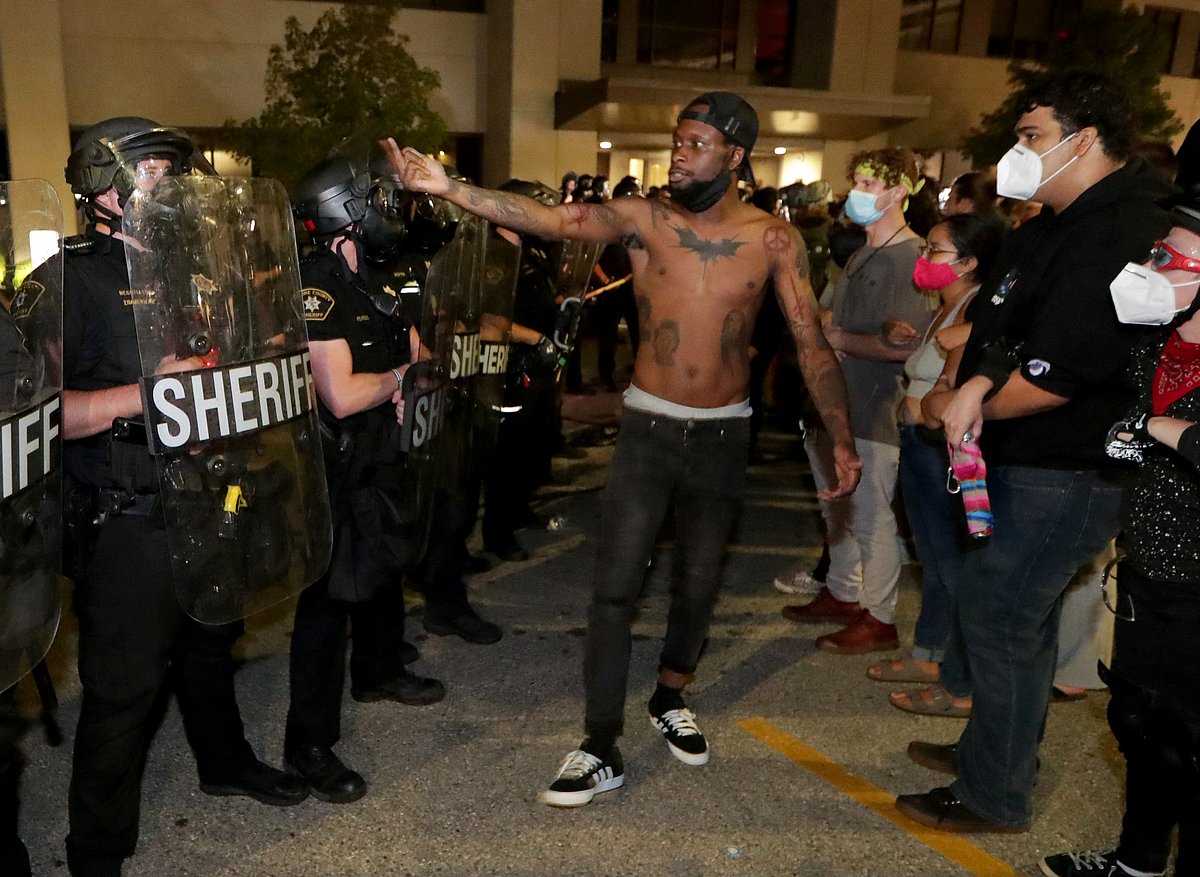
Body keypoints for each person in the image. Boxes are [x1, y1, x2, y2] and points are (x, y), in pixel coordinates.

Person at [383, 89, 860, 807]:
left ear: (734, 156)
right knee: (613, 589)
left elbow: (809, 341)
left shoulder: (772, 239)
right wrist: (451, 187)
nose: (681, 153)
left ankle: (671, 692)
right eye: (679, 139)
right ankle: (599, 741)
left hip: (726, 432)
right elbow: (550, 217)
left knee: (699, 581)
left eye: (697, 143)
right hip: (649, 429)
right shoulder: (642, 220)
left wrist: (843, 439)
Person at [899, 71, 1174, 834]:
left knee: (1000, 615)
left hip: (1069, 470)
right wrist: (975, 381)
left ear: (1083, 141)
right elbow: (1001, 326)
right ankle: (996, 753)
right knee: (1017, 618)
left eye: (1031, 137)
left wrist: (967, 403)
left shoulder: (1124, 227)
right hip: (1019, 458)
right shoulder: (1047, 221)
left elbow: (1062, 372)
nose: (1016, 154)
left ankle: (996, 792)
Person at [59, 117, 309, 877]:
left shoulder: (195, 268)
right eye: (149, 171)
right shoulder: (68, 280)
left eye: (172, 170)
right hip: (128, 508)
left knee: (211, 640)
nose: (167, 184)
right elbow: (44, 416)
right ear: (98, 182)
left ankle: (224, 760)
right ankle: (96, 853)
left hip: (210, 489)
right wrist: (142, 395)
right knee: (126, 686)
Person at [1038, 205, 1200, 877]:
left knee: (1192, 738)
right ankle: (1136, 861)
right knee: (1140, 723)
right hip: (1149, 567)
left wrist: (1159, 431)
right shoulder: (1155, 343)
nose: (1151, 267)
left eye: (1169, 259)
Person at [286, 156, 445, 805]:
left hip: (380, 455)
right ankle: (309, 746)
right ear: (345, 213)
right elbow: (344, 394)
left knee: (382, 564)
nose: (388, 209)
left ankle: (377, 669)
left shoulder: (379, 276)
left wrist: (416, 377)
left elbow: (418, 351)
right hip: (331, 467)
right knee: (324, 606)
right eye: (376, 199)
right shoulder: (317, 285)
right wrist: (399, 383)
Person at [781, 147, 933, 655]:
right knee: (837, 508)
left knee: (871, 517)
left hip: (871, 409)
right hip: (836, 405)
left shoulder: (911, 259)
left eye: (869, 185)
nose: (858, 194)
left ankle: (880, 616)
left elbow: (907, 346)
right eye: (859, 182)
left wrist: (839, 340)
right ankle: (844, 592)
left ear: (898, 192)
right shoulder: (866, 251)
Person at [866, 214, 1001, 707]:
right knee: (933, 555)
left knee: (948, 559)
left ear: (968, 263)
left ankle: (951, 670)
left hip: (941, 446)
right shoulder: (944, 310)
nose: (924, 260)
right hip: (919, 441)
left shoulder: (976, 311)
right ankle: (930, 650)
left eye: (936, 251)